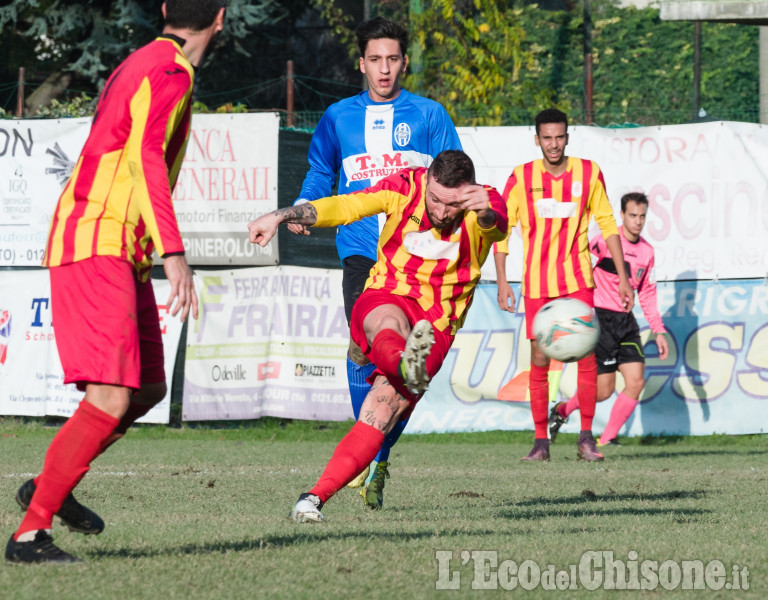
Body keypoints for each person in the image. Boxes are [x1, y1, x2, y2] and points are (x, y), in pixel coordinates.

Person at [5, 0, 224, 565]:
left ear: (165, 9)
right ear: (220, 19)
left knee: (149, 386)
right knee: (111, 394)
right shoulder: (170, 71)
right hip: (97, 239)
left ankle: (48, 486)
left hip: (119, 246)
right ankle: (29, 534)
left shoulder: (142, 61)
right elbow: (146, 156)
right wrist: (174, 252)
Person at [248, 150, 507, 523]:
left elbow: (496, 225)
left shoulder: (486, 201)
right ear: (429, 180)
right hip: (388, 293)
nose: (442, 211)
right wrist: (281, 214)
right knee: (387, 323)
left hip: (438, 322)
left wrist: (482, 210)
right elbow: (348, 206)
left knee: (383, 410)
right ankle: (403, 362)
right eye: (435, 199)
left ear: (467, 192)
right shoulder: (406, 184)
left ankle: (311, 499)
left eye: (452, 204)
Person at [289, 17, 462, 509]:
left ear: (404, 62)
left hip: (417, 260)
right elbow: (322, 171)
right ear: (361, 62)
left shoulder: (429, 115)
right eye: (375, 60)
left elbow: (453, 177)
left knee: (406, 369)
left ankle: (378, 454)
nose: (384, 69)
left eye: (393, 59)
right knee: (364, 349)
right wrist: (306, 206)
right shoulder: (339, 116)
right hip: (362, 252)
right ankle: (372, 450)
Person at [494, 108, 634, 463]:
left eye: (559, 137)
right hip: (538, 286)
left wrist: (622, 277)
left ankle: (586, 437)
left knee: (586, 355)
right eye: (547, 138)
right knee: (540, 359)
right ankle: (541, 441)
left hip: (576, 282)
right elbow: (501, 231)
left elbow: (607, 223)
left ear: (567, 137)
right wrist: (501, 282)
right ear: (537, 139)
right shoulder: (521, 177)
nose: (553, 144)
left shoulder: (588, 173)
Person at [548, 192, 669, 446]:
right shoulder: (604, 241)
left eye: (642, 216)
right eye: (633, 215)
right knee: (602, 391)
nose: (638, 221)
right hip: (600, 319)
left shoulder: (647, 252)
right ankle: (561, 411)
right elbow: (580, 266)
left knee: (636, 382)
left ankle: (607, 439)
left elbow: (647, 294)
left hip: (626, 322)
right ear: (622, 215)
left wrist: (658, 331)